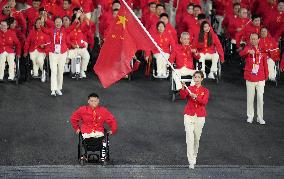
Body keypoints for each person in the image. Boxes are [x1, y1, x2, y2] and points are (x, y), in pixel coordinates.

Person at [41, 10, 81, 96]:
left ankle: (59, 88)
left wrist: (77, 17)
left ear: (62, 23)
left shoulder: (65, 30)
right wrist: (43, 21)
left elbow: (73, 26)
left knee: (60, 72)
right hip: (53, 53)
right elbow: (44, 30)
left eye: (59, 22)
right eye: (56, 22)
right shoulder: (51, 30)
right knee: (54, 71)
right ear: (54, 23)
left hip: (62, 53)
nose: (58, 23)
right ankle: (53, 89)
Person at [70, 93, 118, 160]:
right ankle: (84, 155)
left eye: (95, 101)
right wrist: (77, 128)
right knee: (85, 140)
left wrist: (113, 130)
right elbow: (73, 118)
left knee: (103, 140)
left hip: (99, 132)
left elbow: (112, 120)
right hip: (86, 132)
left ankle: (103, 156)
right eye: (91, 101)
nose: (93, 102)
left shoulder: (103, 110)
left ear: (98, 101)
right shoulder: (83, 109)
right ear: (88, 101)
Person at [180, 70, 209, 169]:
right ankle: (191, 161)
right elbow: (183, 96)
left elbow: (204, 102)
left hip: (200, 116)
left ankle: (194, 156)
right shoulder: (190, 88)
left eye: (198, 77)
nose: (196, 79)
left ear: (202, 79)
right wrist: (183, 88)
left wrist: (196, 97)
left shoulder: (205, 90)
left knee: (196, 138)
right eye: (195, 77)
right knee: (189, 137)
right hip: (189, 115)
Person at [239, 33, 268, 125]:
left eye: (255, 39)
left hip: (260, 77)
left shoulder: (262, 50)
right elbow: (241, 54)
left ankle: (260, 117)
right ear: (250, 40)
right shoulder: (247, 48)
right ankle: (250, 116)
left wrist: (266, 75)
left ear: (259, 40)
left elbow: (265, 64)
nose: (253, 41)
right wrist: (247, 52)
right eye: (251, 39)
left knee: (260, 98)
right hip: (250, 77)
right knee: (250, 98)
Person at [24, 18, 50, 82]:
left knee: (39, 59)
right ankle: (35, 72)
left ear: (43, 24)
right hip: (32, 50)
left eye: (40, 23)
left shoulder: (46, 33)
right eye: (37, 23)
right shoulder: (31, 32)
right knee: (33, 58)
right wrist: (25, 51)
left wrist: (44, 47)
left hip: (42, 51)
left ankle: (43, 71)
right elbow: (27, 42)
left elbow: (49, 44)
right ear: (35, 24)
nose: (39, 24)